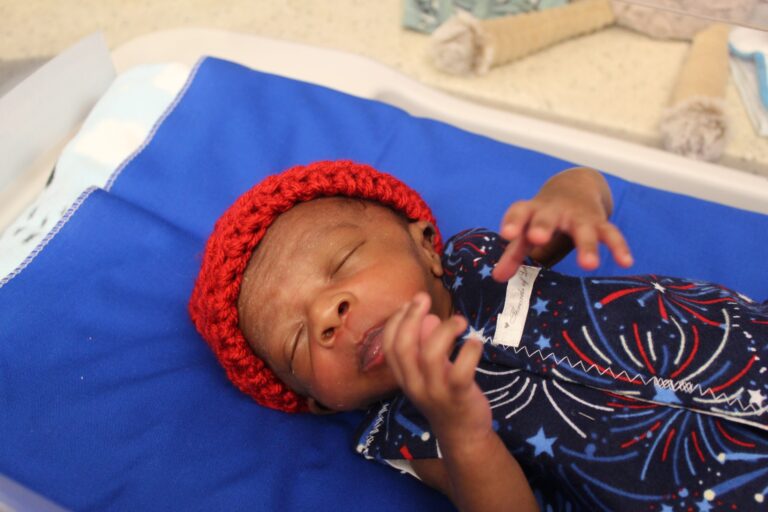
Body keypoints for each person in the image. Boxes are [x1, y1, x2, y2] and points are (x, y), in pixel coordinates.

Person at [189, 160, 768, 512]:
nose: (329, 316)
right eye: (300, 343)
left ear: (424, 245)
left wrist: (570, 200)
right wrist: (464, 435)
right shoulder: (406, 430)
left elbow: (576, 195)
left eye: (342, 263)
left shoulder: (482, 261)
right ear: (317, 403)